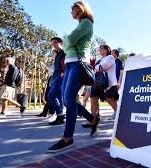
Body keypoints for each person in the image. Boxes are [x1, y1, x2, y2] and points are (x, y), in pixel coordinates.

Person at [48, 1, 96, 152]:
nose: (71, 12)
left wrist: (68, 41)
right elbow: (68, 43)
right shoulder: (79, 25)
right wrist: (68, 42)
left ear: (80, 9)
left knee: (69, 98)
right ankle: (92, 118)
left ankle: (67, 138)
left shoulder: (87, 23)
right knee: (65, 99)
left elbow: (69, 41)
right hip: (69, 65)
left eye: (72, 9)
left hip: (78, 64)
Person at [90, 45, 119, 124]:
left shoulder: (110, 57)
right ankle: (93, 119)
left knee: (110, 99)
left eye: (102, 48)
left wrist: (96, 67)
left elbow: (104, 66)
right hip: (99, 83)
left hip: (110, 83)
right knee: (94, 98)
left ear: (107, 50)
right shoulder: (99, 60)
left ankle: (118, 113)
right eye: (100, 49)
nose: (100, 50)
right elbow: (94, 70)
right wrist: (96, 67)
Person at [47, 37, 66, 125]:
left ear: (60, 43)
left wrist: (64, 72)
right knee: (59, 98)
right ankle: (60, 116)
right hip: (56, 77)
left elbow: (68, 63)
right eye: (52, 44)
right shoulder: (57, 54)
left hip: (61, 77)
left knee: (51, 96)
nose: (53, 45)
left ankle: (60, 115)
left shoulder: (64, 52)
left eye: (54, 43)